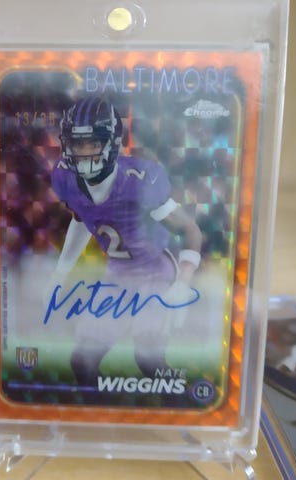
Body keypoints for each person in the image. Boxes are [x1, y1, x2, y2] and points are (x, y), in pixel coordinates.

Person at [47, 96, 202, 387]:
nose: (83, 153)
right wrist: (60, 272)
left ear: (112, 143)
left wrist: (183, 282)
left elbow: (190, 229)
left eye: (92, 143)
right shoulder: (65, 177)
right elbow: (81, 219)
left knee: (149, 360)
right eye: (77, 144)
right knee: (82, 362)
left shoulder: (140, 179)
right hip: (118, 274)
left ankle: (194, 397)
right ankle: (104, 410)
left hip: (155, 269)